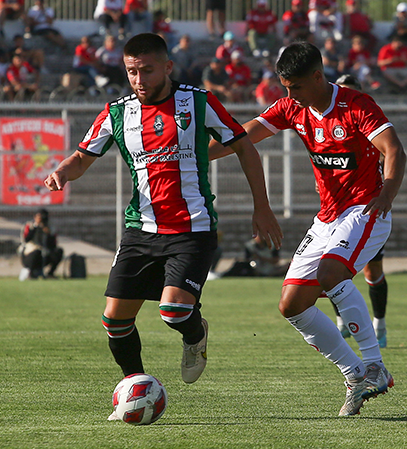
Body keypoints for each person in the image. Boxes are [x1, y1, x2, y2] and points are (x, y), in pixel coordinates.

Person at [42, 33, 282, 421]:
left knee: (172, 311)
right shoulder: (117, 112)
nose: (139, 79)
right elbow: (82, 157)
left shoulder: (197, 101)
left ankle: (195, 333)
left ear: (167, 67)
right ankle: (134, 386)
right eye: (132, 71)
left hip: (192, 228)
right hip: (141, 229)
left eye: (147, 70)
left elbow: (243, 145)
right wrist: (62, 173)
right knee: (115, 321)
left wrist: (262, 207)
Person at [208, 42, 406, 416]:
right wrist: (197, 153)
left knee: (331, 272)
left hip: (365, 208)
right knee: (292, 304)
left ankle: (375, 365)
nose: (289, 95)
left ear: (318, 76)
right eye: (285, 87)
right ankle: (354, 373)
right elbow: (244, 135)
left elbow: (393, 150)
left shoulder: (356, 106)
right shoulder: (292, 107)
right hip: (328, 217)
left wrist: (388, 194)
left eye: (295, 86)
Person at [330, 73, 391, 348]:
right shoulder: (330, 126)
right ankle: (342, 321)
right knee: (329, 264)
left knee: (372, 271)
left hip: (365, 208)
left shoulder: (370, 125)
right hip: (336, 209)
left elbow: (391, 153)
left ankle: (379, 325)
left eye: (351, 93)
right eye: (341, 93)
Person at [18, 208, 63, 280]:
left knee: (59, 251)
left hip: (44, 255)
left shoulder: (49, 227)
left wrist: (48, 234)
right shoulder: (29, 225)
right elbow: (26, 239)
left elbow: (53, 245)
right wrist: (36, 226)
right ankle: (31, 273)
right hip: (30, 254)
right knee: (37, 252)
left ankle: (50, 274)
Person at [218, 235, 288, 278]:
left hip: (270, 269)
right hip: (255, 269)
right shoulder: (250, 246)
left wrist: (262, 258)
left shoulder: (273, 246)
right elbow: (247, 260)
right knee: (239, 265)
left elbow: (276, 260)